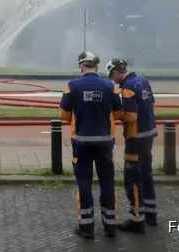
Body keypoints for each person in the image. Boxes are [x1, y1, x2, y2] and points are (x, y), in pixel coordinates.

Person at [60, 52, 126, 239]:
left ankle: (86, 227)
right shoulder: (110, 87)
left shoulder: (71, 87)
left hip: (81, 142)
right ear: (96, 67)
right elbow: (119, 112)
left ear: (81, 67)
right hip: (105, 143)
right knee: (107, 181)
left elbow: (64, 115)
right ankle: (111, 225)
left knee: (84, 182)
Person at [107, 58, 158, 231]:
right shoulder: (143, 82)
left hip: (135, 138)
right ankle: (151, 214)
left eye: (113, 77)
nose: (114, 81)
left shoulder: (128, 88)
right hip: (149, 134)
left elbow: (130, 116)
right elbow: (151, 104)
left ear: (116, 72)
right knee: (146, 174)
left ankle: (136, 220)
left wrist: (116, 114)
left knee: (133, 178)